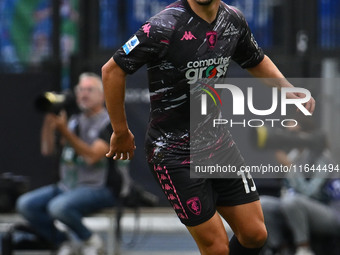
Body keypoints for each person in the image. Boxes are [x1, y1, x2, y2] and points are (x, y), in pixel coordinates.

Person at [101, 1, 315, 254]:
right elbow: (112, 70)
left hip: (217, 143)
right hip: (172, 153)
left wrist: (289, 91)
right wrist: (121, 131)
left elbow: (255, 59)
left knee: (255, 234)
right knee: (216, 248)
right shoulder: (163, 26)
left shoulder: (233, 21)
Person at [16, 72, 116, 255]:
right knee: (26, 204)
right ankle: (63, 242)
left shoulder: (109, 123)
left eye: (89, 90)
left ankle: (91, 240)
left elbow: (92, 157)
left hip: (98, 187)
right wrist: (49, 121)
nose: (84, 94)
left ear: (102, 96)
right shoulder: (74, 121)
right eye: (81, 90)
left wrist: (64, 131)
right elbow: (47, 150)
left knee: (58, 207)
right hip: (68, 185)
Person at [261, 119, 340, 255]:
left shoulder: (321, 157)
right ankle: (281, 248)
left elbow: (310, 193)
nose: (291, 138)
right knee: (263, 204)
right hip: (295, 208)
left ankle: (304, 248)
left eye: (296, 134)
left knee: (292, 201)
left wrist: (290, 168)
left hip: (329, 212)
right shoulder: (295, 156)